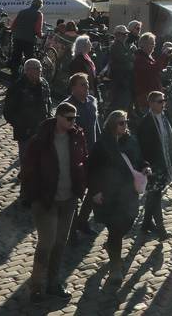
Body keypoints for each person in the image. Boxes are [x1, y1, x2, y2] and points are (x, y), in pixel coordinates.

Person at [21, 100, 88, 303]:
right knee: (46, 243)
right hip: (46, 200)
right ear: (58, 117)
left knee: (60, 243)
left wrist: (82, 185)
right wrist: (30, 196)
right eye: (68, 118)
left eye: (74, 118)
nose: (72, 122)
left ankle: (53, 283)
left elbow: (83, 160)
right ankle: (37, 286)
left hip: (68, 199)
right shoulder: (40, 140)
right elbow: (27, 169)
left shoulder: (77, 137)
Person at [88, 110, 146, 284]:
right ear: (112, 124)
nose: (125, 125)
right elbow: (92, 169)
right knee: (115, 229)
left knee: (127, 223)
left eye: (126, 122)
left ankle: (112, 246)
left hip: (129, 194)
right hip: (110, 194)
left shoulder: (130, 141)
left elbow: (140, 159)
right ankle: (115, 269)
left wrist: (145, 167)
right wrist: (96, 191)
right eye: (121, 122)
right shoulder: (102, 145)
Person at [136, 89, 172, 239]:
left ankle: (145, 225)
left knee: (154, 195)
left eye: (164, 101)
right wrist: (146, 165)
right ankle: (161, 230)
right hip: (153, 165)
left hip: (166, 163)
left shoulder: (165, 117)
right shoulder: (145, 122)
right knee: (155, 195)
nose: (163, 104)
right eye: (160, 101)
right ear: (151, 104)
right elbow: (142, 146)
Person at [3, 58, 52, 189]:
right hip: (25, 131)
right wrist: (20, 124)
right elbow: (8, 111)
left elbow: (48, 103)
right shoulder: (18, 87)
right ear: (27, 71)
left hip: (41, 129)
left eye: (40, 68)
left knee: (40, 160)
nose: (40, 71)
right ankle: (26, 189)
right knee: (26, 160)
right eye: (36, 69)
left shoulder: (44, 84)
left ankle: (34, 185)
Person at [63, 72, 99, 239]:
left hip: (92, 154)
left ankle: (82, 221)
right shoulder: (67, 106)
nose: (87, 87)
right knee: (75, 193)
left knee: (94, 189)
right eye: (83, 84)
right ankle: (71, 230)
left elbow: (96, 126)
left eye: (87, 84)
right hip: (75, 157)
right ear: (73, 87)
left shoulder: (92, 102)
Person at [132, 33, 172, 111]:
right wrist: (164, 55)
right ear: (142, 44)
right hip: (146, 96)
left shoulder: (148, 57)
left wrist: (167, 57)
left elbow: (160, 67)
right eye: (151, 43)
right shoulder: (139, 58)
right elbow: (154, 68)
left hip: (153, 94)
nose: (153, 46)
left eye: (154, 44)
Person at [9, 0, 44, 75]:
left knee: (16, 55)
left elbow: (13, 24)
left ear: (31, 4)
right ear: (40, 6)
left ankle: (14, 73)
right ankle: (28, 75)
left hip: (17, 37)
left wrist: (15, 32)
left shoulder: (22, 12)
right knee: (29, 57)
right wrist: (41, 36)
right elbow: (37, 29)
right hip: (29, 39)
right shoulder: (39, 14)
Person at [108, 24, 134, 111]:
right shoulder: (115, 46)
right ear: (117, 35)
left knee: (124, 101)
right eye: (124, 34)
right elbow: (124, 58)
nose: (126, 36)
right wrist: (130, 54)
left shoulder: (123, 45)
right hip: (119, 79)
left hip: (124, 78)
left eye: (126, 34)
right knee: (119, 102)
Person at [68, 35, 98, 99]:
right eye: (89, 43)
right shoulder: (78, 61)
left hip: (89, 89)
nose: (91, 45)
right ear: (84, 45)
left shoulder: (87, 57)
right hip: (82, 92)